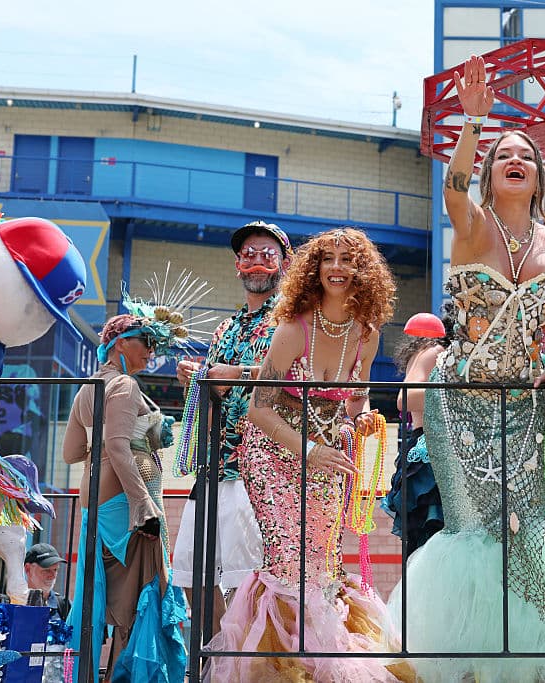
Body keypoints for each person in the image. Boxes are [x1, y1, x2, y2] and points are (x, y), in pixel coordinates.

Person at [386, 55, 545, 682]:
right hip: (462, 401)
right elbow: (452, 187)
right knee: (473, 532)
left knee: (530, 533)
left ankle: (533, 662)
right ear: (490, 171)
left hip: (528, 408)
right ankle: (466, 665)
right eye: (503, 154)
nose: (515, 160)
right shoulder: (471, 222)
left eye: (526, 156)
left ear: (538, 175)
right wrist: (474, 121)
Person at [204, 227, 406, 682]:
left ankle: (324, 661)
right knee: (290, 561)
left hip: (329, 454)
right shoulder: (293, 328)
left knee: (325, 560)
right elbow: (257, 409)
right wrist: (310, 449)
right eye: (328, 259)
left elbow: (357, 397)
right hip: (274, 452)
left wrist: (362, 418)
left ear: (364, 272)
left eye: (348, 260)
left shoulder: (367, 334)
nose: (337, 267)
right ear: (313, 270)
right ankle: (287, 667)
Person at [63, 303, 194, 682]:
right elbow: (119, 448)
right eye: (145, 344)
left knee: (116, 602)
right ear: (120, 343)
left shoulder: (89, 387)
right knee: (137, 601)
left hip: (96, 506)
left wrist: (117, 442)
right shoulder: (123, 384)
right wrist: (144, 506)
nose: (150, 353)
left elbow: (71, 453)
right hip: (124, 508)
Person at [173, 220, 292, 634]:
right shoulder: (226, 328)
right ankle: (216, 660)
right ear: (237, 265)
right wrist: (198, 377)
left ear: (284, 263)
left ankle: (251, 664)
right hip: (214, 465)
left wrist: (234, 371)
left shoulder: (293, 321)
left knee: (251, 577)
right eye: (249, 255)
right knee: (192, 573)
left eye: (267, 254)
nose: (257, 262)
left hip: (262, 465)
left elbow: (303, 376)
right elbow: (215, 384)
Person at [379, 307, 454, 555]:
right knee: (431, 541)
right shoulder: (436, 351)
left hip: (441, 450)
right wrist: (462, 391)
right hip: (429, 452)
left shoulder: (436, 351)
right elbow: (406, 398)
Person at [24, 542, 70, 621]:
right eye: (46, 570)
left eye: (55, 570)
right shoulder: (14, 601)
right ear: (28, 569)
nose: (52, 575)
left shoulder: (65, 606)